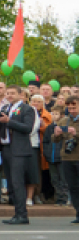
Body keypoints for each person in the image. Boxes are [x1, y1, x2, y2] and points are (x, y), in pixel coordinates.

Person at [0, 85, 37, 225]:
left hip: (19, 149)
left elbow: (28, 128)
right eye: (8, 93)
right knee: (11, 183)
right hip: (6, 148)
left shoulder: (27, 109)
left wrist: (9, 122)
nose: (9, 96)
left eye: (12, 93)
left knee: (18, 182)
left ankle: (22, 214)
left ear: (20, 94)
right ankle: (17, 213)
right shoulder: (5, 108)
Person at [49, 95, 79, 223]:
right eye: (70, 107)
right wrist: (56, 134)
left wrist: (75, 133)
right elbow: (54, 139)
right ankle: (78, 213)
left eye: (75, 107)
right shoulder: (64, 121)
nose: (72, 110)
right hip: (67, 157)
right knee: (73, 187)